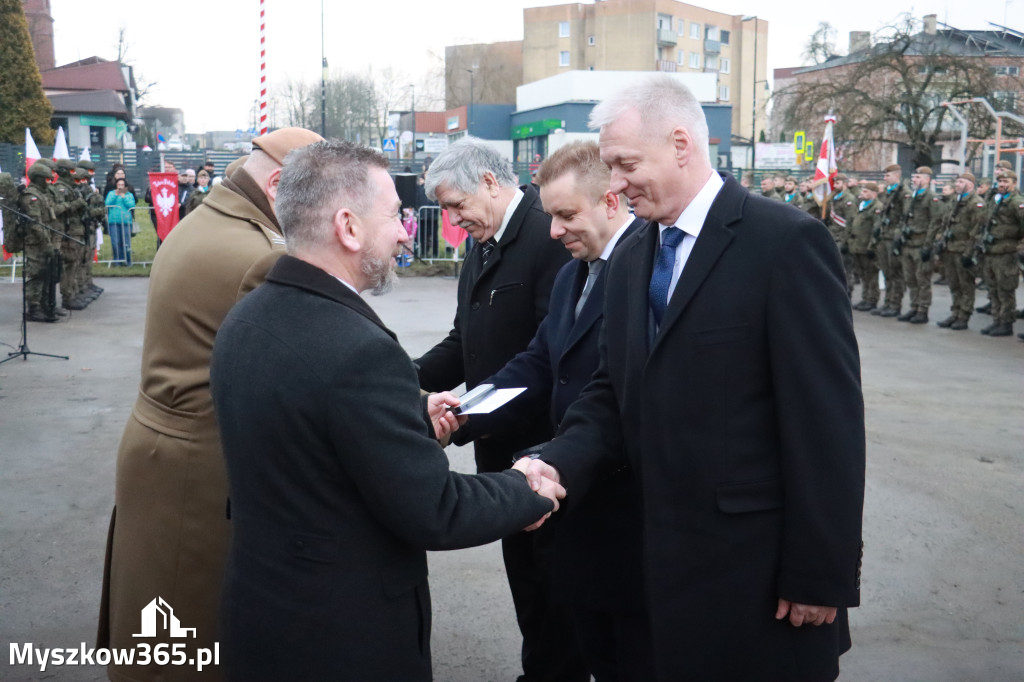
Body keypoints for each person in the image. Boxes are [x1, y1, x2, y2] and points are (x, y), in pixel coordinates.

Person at [520, 74, 866, 682]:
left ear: (682, 143)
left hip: (756, 578)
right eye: (609, 166)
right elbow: (611, 389)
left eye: (626, 164)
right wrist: (558, 463)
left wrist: (820, 573)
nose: (617, 184)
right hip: (653, 573)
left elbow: (826, 424)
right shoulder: (631, 255)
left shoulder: (784, 243)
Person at [210, 139, 560, 681]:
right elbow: (436, 508)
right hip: (342, 635)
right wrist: (525, 488)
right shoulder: (357, 352)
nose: (406, 231)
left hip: (266, 613)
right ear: (348, 227)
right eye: (396, 216)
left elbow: (314, 424)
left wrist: (404, 406)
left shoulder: (249, 317)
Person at [97, 127, 324, 682]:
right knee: (183, 637)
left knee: (156, 620)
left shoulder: (210, 220)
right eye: (319, 196)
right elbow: (314, 371)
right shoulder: (256, 256)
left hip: (164, 449)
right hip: (199, 469)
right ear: (278, 185)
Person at [459, 140, 650, 680]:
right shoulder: (574, 273)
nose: (553, 231)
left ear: (612, 201)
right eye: (550, 216)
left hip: (623, 500)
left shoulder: (647, 271)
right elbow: (539, 363)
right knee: (578, 636)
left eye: (567, 215)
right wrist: (464, 411)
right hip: (573, 494)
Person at [414, 137, 573, 681]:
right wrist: (394, 383)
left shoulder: (550, 237)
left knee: (557, 591)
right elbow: (465, 342)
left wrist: (459, 420)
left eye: (457, 205)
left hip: (545, 449)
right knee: (526, 585)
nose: (454, 221)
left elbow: (549, 361)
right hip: (498, 449)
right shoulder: (483, 244)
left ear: (488, 181)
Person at [934, 172, 987, 330]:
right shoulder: (954, 201)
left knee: (966, 285)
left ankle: (964, 315)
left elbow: (977, 230)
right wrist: (940, 240)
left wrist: (969, 253)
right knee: (954, 284)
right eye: (957, 182)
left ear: (970, 185)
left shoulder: (975, 203)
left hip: (964, 250)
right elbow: (945, 223)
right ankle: (955, 312)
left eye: (961, 182)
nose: (957, 184)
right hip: (950, 248)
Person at [975, 169, 1024, 337]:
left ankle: (1006, 323)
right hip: (991, 251)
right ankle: (996, 320)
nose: (1002, 185)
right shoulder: (996, 200)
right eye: (1000, 182)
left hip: (1007, 252)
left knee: (1005, 290)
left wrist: (1022, 248)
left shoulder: (1016, 202)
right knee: (993, 289)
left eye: (1006, 182)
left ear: (1014, 183)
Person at [897, 167, 940, 323]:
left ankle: (923, 310)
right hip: (908, 244)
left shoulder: (931, 198)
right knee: (910, 278)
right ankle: (914, 306)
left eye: (918, 177)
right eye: (914, 177)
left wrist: (928, 245)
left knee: (922, 279)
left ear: (927, 180)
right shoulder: (911, 197)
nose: (914, 180)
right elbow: (905, 218)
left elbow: (935, 223)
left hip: (921, 244)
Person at [871, 163, 907, 317]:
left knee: (895, 273)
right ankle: (887, 303)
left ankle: (895, 304)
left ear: (896, 176)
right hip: (884, 236)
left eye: (888, 175)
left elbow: (904, 217)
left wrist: (898, 236)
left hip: (893, 237)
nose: (885, 178)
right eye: (885, 175)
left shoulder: (903, 193)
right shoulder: (887, 193)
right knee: (886, 272)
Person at [850, 182, 884, 311]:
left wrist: (872, 245)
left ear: (874, 194)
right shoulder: (861, 205)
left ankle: (872, 299)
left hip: (868, 246)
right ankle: (865, 298)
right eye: (862, 191)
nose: (862, 193)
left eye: (865, 191)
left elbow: (877, 228)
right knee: (863, 274)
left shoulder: (877, 207)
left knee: (871, 274)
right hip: (858, 245)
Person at [105, 178, 136, 265]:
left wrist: (124, 197)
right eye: (119, 185)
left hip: (126, 221)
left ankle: (127, 261)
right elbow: (107, 203)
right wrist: (115, 195)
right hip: (113, 221)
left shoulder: (129, 194)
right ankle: (117, 261)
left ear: (125, 186)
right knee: (115, 242)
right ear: (116, 185)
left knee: (126, 242)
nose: (120, 187)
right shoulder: (111, 193)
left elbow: (132, 205)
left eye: (122, 185)